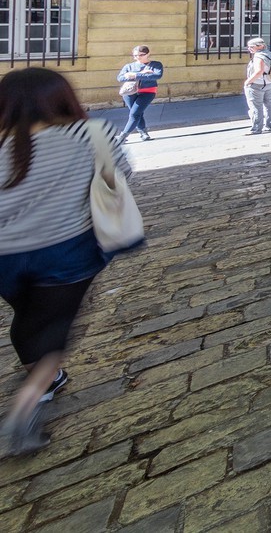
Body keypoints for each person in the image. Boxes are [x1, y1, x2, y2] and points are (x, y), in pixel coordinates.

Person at [0, 68, 129, 454]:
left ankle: (48, 379)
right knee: (52, 325)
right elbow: (117, 178)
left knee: (27, 319)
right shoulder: (93, 133)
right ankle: (25, 406)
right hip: (66, 250)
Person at [115, 46, 163, 144]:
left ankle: (123, 136)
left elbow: (156, 76)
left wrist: (135, 75)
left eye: (141, 55)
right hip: (129, 92)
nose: (138, 57)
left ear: (148, 54)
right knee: (137, 113)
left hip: (148, 92)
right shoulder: (129, 66)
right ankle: (143, 132)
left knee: (134, 113)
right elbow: (120, 78)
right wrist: (142, 73)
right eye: (135, 55)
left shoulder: (156, 65)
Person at [243, 37, 271, 136]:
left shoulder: (259, 56)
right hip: (270, 83)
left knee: (256, 106)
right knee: (269, 105)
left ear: (260, 46)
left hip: (257, 84)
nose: (249, 49)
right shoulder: (270, 54)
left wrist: (248, 82)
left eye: (251, 47)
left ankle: (256, 128)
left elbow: (259, 71)